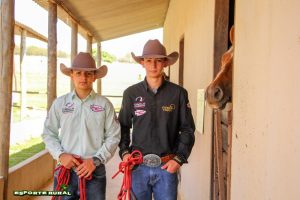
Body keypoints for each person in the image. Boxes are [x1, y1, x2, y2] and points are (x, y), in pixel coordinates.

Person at [118, 39, 195, 200]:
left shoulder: (178, 93)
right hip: (137, 166)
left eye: (158, 60)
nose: (153, 65)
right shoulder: (131, 93)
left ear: (165, 63)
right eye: (149, 60)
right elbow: (123, 126)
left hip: (167, 167)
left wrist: (179, 158)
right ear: (142, 63)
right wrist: (125, 152)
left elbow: (187, 128)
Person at [42, 52, 121, 200]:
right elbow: (48, 132)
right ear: (71, 75)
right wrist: (60, 154)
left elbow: (114, 135)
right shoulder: (60, 103)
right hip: (66, 169)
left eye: (88, 74)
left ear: (94, 76)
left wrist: (96, 160)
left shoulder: (104, 105)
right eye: (78, 73)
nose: (83, 78)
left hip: (94, 171)